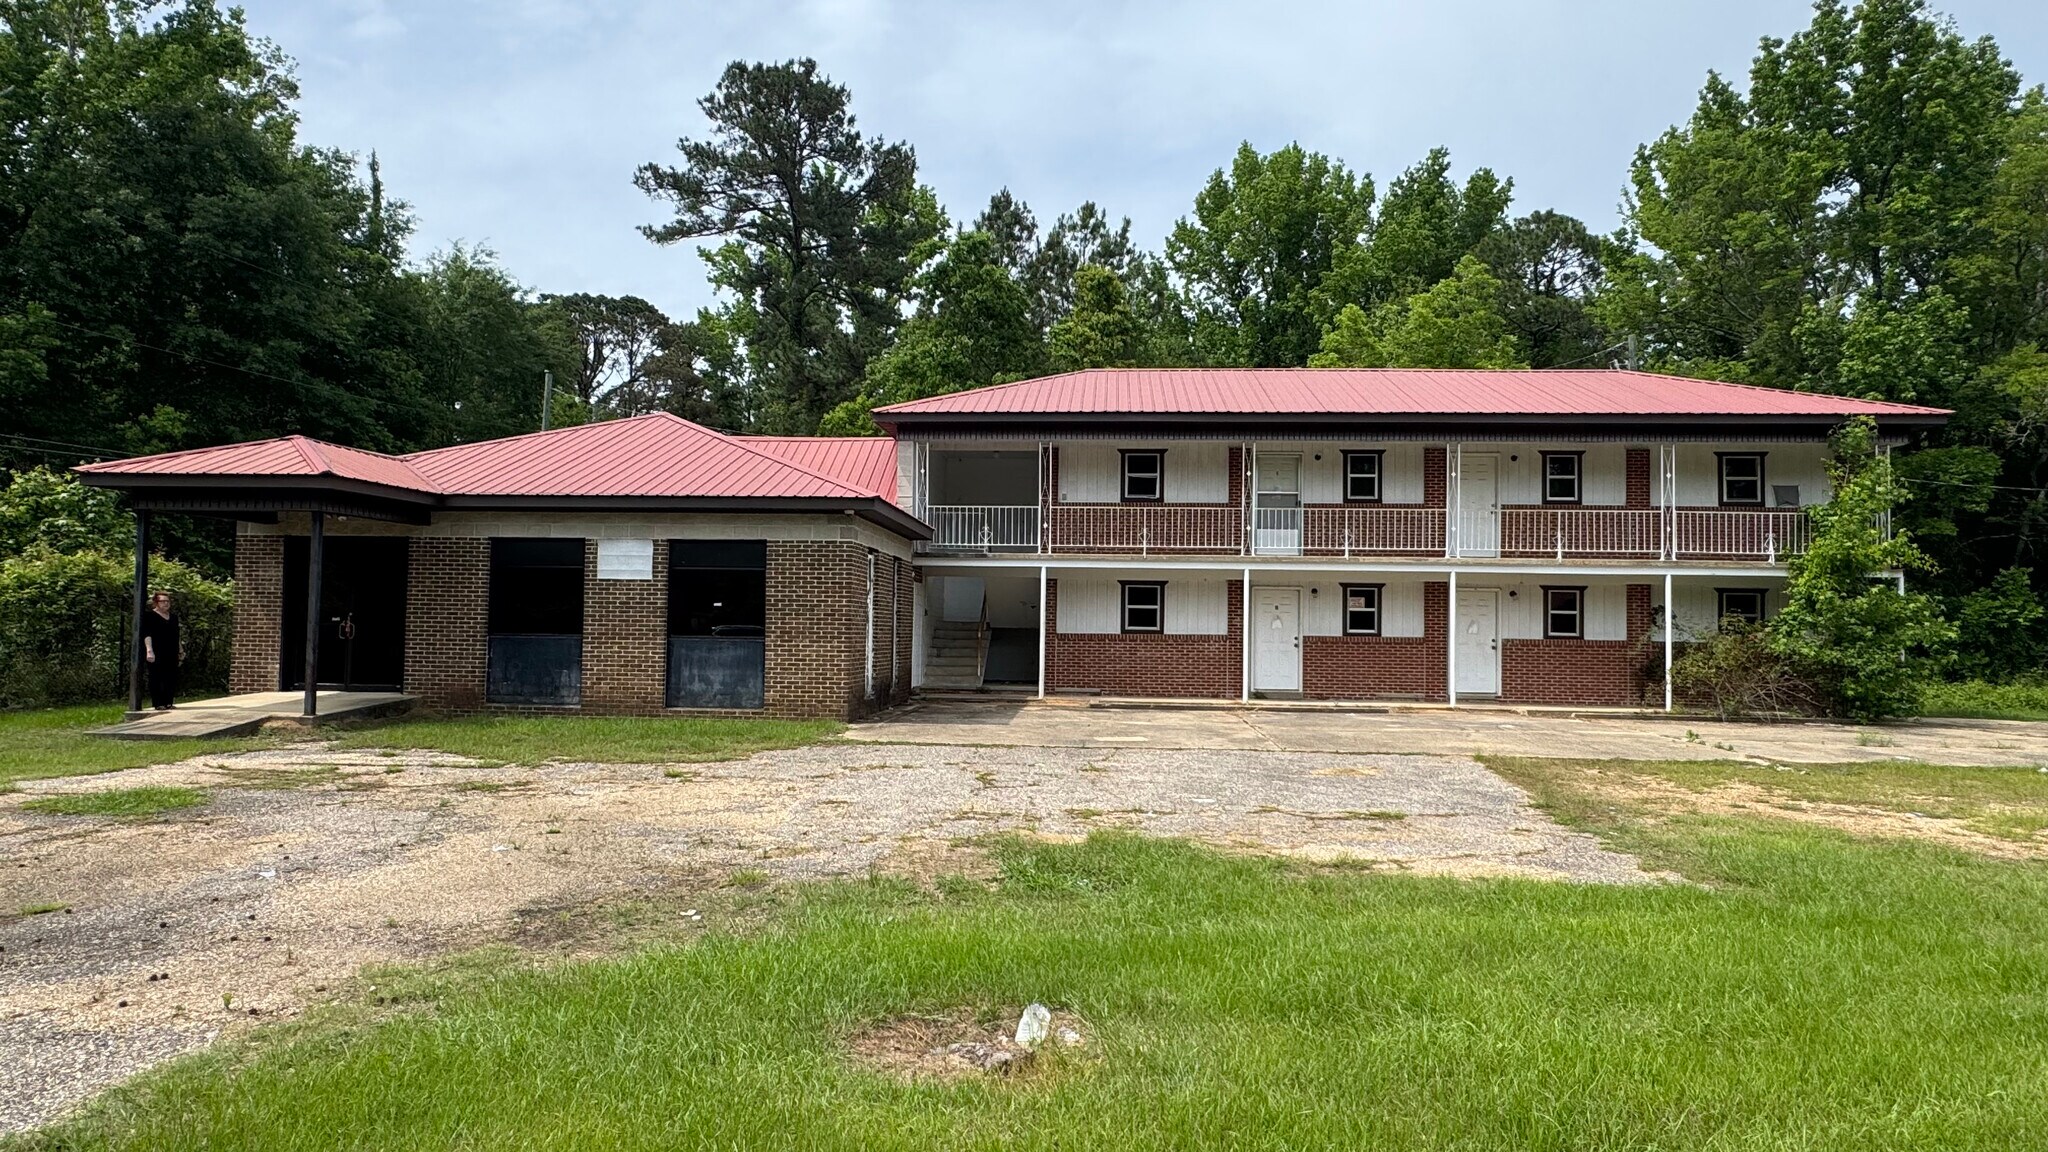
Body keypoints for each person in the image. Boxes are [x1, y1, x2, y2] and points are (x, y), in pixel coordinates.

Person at [141, 591, 182, 710]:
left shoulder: (173, 617)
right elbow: (147, 634)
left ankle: (168, 701)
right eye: (163, 601)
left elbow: (176, 634)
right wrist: (149, 650)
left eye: (167, 601)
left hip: (171, 650)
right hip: (157, 650)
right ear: (156, 602)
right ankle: (158, 702)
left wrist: (180, 649)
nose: (166, 603)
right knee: (156, 676)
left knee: (171, 676)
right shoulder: (150, 616)